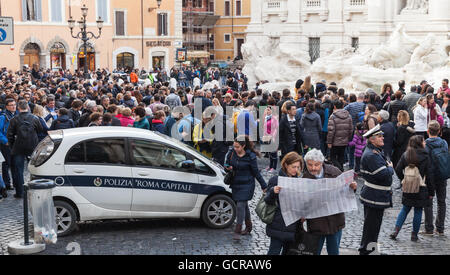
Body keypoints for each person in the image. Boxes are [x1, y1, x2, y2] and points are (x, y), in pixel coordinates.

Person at [302, 149, 357, 255]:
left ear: (322, 163)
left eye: (316, 165)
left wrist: (352, 187)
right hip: (316, 223)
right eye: (310, 165)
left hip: (334, 221)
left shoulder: (334, 172)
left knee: (333, 251)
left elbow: (346, 191)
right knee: (314, 251)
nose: (313, 168)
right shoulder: (305, 178)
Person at [359, 124, 395, 255]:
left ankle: (371, 250)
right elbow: (383, 174)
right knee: (371, 228)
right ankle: (366, 252)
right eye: (379, 136)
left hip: (375, 195)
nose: (382, 138)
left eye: (382, 136)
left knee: (374, 227)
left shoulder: (374, 151)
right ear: (371, 139)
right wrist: (390, 168)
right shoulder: (372, 155)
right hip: (374, 196)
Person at [391, 135, 434, 242]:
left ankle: (396, 231)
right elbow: (429, 175)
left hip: (408, 186)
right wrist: (431, 191)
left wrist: (403, 179)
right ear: (419, 143)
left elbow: (397, 169)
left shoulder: (406, 154)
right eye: (423, 141)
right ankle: (414, 235)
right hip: (421, 186)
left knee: (405, 208)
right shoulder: (425, 156)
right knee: (418, 210)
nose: (425, 143)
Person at [225, 136, 267, 241]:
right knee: (244, 205)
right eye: (234, 146)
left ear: (243, 146)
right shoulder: (232, 153)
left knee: (240, 206)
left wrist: (264, 186)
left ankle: (237, 230)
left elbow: (256, 172)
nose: (235, 148)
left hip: (247, 184)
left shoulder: (250, 156)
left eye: (237, 147)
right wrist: (228, 167)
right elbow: (226, 163)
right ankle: (249, 226)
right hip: (236, 183)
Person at [265, 152, 304, 255]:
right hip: (279, 224)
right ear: (286, 165)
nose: (296, 170)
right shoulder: (275, 180)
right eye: (293, 167)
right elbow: (267, 200)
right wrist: (273, 191)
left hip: (293, 225)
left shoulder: (299, 182)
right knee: (274, 251)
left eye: (298, 167)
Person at [6, 100, 43, 198]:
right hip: (33, 146)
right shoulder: (35, 118)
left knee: (18, 170)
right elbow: (40, 130)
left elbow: (9, 135)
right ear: (28, 107)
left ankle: (20, 192)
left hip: (18, 147)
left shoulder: (14, 119)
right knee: (35, 168)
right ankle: (36, 190)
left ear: (18, 108)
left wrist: (12, 145)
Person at [422, 121, 448, 235]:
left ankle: (429, 228)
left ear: (428, 131)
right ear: (439, 131)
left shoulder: (425, 144)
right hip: (442, 174)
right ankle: (440, 228)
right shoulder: (444, 143)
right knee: (441, 201)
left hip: (429, 176)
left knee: (428, 201)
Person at [327, 100, 353, 172]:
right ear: (343, 106)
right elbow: (351, 129)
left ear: (334, 106)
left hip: (335, 141)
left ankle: (340, 170)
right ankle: (340, 172)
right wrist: (348, 138)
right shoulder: (349, 116)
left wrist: (329, 142)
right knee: (341, 157)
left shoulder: (333, 116)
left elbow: (331, 131)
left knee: (333, 157)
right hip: (344, 141)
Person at [0, 98, 18, 191]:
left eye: (14, 104)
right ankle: (7, 183)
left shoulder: (17, 114)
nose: (14, 106)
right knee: (6, 164)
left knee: (15, 164)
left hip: (16, 143)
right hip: (6, 144)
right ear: (7, 106)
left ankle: (16, 183)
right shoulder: (3, 116)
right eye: (11, 105)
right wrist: (5, 141)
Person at [263, 104, 279, 172]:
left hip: (272, 137)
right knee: (269, 152)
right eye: (266, 110)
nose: (267, 111)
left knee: (273, 153)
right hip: (267, 137)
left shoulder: (274, 118)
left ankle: (274, 167)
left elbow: (276, 128)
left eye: (268, 110)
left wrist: (273, 137)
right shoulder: (266, 117)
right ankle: (270, 165)